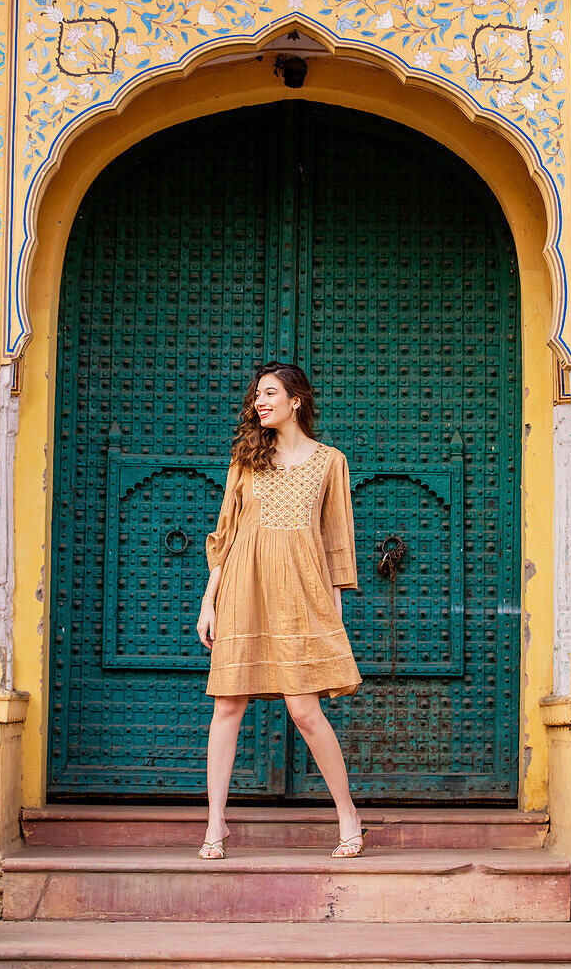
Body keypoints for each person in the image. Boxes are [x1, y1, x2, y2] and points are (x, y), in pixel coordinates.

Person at [196, 361, 367, 861]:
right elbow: (225, 534)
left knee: (305, 710)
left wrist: (333, 611)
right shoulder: (246, 459)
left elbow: (337, 540)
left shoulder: (330, 460)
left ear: (297, 401)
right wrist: (209, 601)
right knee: (227, 704)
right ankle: (215, 823)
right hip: (243, 590)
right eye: (257, 396)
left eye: (270, 393)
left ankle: (347, 814)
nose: (259, 402)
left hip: (300, 594)